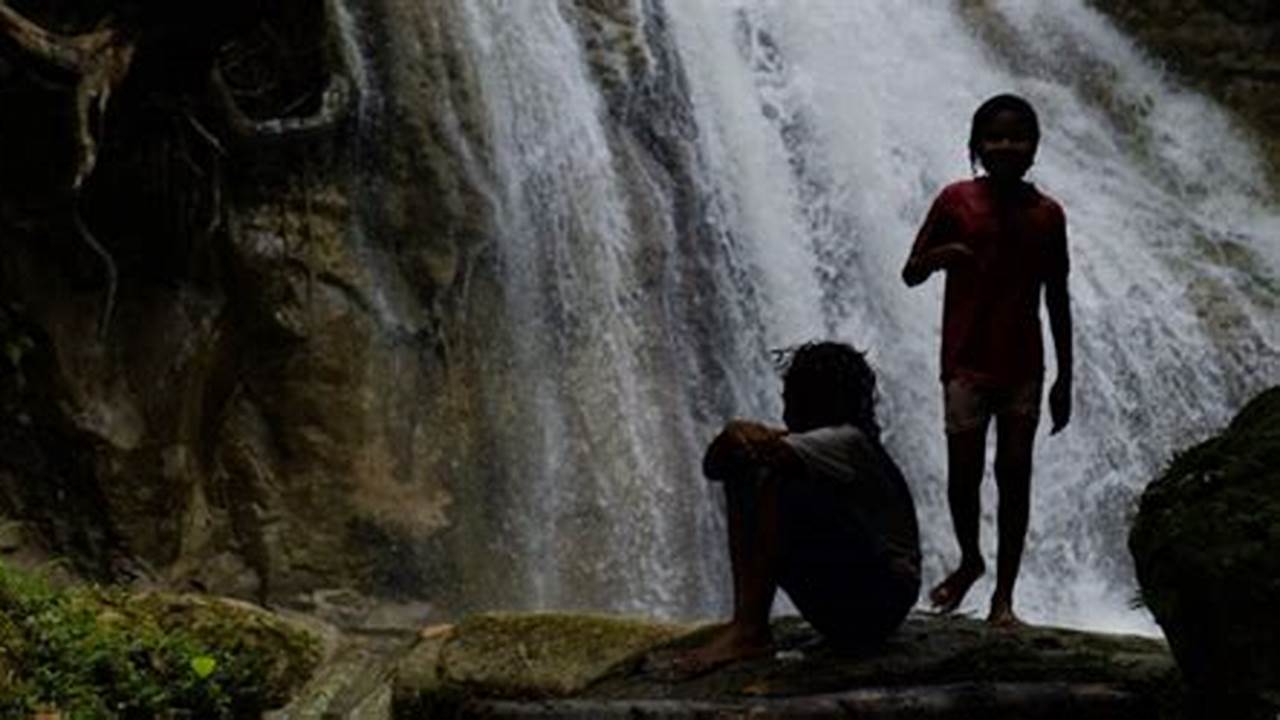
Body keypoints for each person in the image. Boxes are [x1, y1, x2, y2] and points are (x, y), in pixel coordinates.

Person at [901, 93, 1073, 627]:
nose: (1005, 145)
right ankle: (971, 557)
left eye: (1017, 136)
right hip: (965, 361)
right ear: (976, 145)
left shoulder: (1047, 215)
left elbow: (1058, 299)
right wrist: (941, 257)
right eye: (994, 137)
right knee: (963, 474)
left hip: (1023, 363)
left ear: (1034, 147)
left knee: (1015, 474)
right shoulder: (955, 201)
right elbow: (910, 271)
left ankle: (1004, 598)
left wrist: (1066, 377)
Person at [668, 341, 920, 673]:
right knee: (760, 469)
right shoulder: (834, 444)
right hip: (873, 603)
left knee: (775, 478)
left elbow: (746, 459)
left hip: (878, 601)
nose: (784, 400)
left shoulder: (845, 441)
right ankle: (748, 627)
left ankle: (749, 630)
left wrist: (736, 435)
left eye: (791, 391)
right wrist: (733, 437)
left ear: (812, 398)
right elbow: (716, 466)